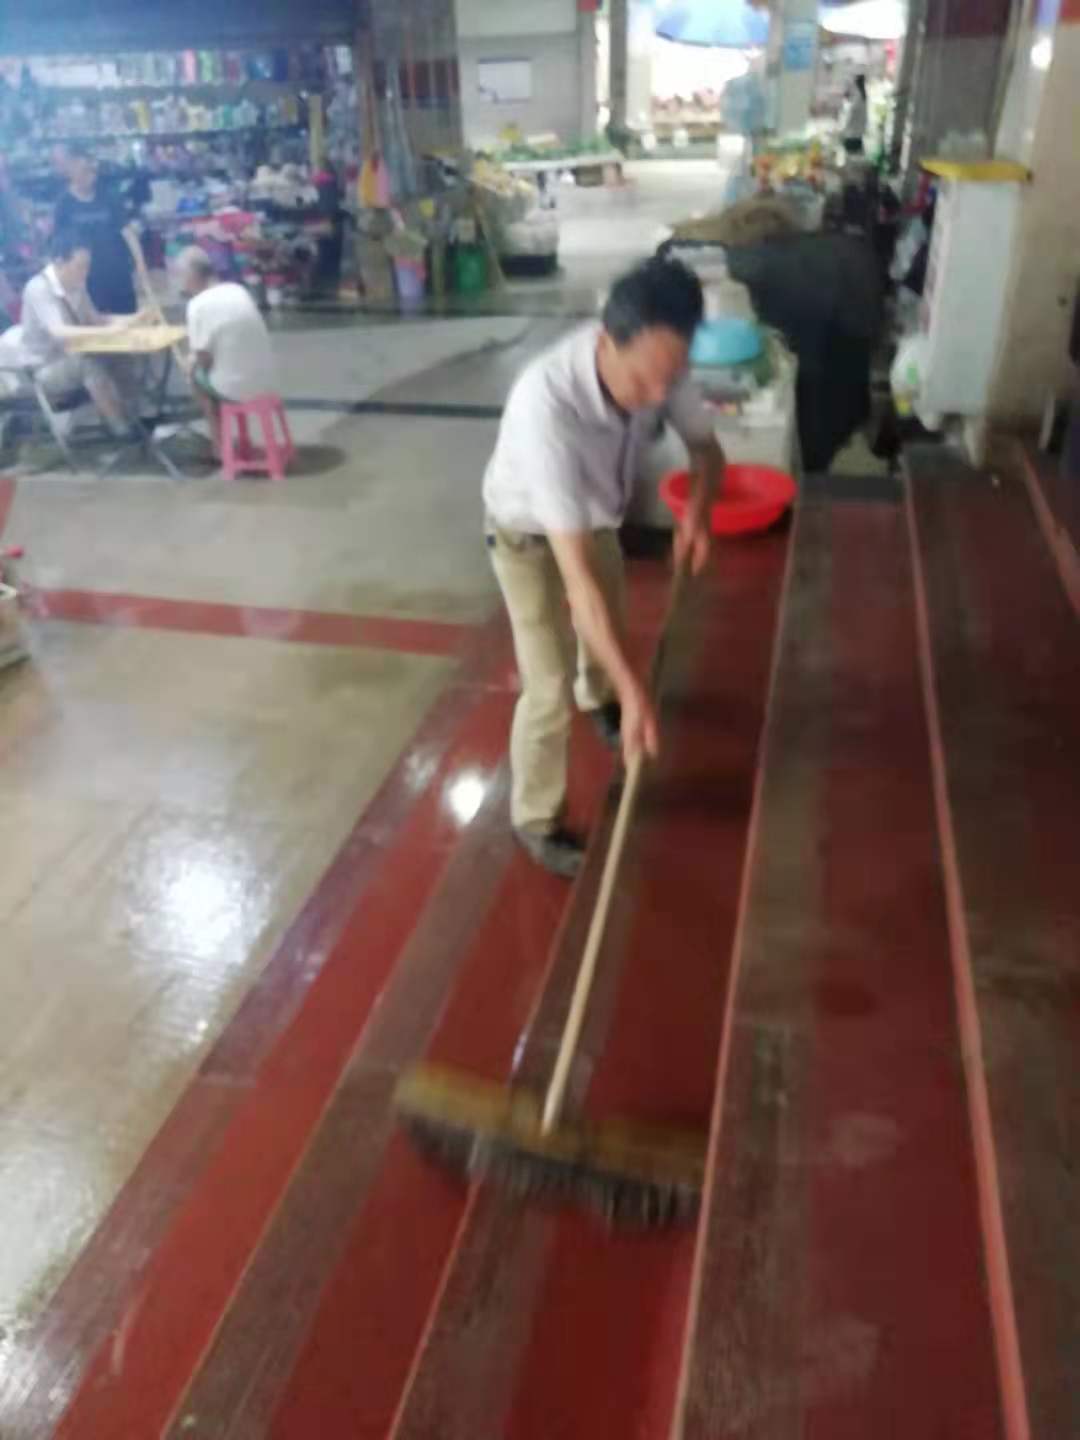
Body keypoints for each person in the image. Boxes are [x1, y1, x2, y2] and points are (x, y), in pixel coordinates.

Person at [483, 257, 724, 878]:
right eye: (643, 381)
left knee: (609, 631)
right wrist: (640, 692)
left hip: (594, 515)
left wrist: (697, 517)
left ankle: (603, 700)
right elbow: (578, 586)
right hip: (526, 535)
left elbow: (707, 451)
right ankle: (536, 818)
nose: (657, 397)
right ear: (606, 342)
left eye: (668, 380)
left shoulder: (663, 364)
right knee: (548, 686)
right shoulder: (547, 405)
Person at [20, 228, 145, 438]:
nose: (85, 272)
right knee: (88, 362)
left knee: (121, 356)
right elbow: (59, 331)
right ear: (59, 262)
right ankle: (120, 428)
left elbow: (96, 320)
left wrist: (133, 319)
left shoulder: (76, 283)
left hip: (72, 357)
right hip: (45, 368)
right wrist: (108, 332)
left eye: (87, 266)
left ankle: (134, 418)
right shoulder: (39, 288)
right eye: (80, 266)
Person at [175, 246, 277, 453]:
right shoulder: (237, 290)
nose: (181, 283)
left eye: (181, 276)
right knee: (213, 369)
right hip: (265, 380)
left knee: (195, 378)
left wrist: (189, 365)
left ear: (192, 276)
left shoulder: (197, 305)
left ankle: (219, 447)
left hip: (236, 388)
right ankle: (231, 441)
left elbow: (203, 359)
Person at [54, 146, 137, 315]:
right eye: (85, 171)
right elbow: (60, 244)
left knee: (129, 319)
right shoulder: (63, 204)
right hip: (87, 278)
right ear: (71, 173)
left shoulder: (110, 196)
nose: (91, 176)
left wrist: (141, 268)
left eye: (92, 172)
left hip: (118, 272)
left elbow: (128, 233)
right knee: (96, 323)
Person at [841, 75, 868, 156]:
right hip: (858, 135)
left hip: (851, 136)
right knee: (856, 157)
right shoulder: (862, 96)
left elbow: (850, 115)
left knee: (850, 157)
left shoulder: (857, 98)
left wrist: (842, 130)